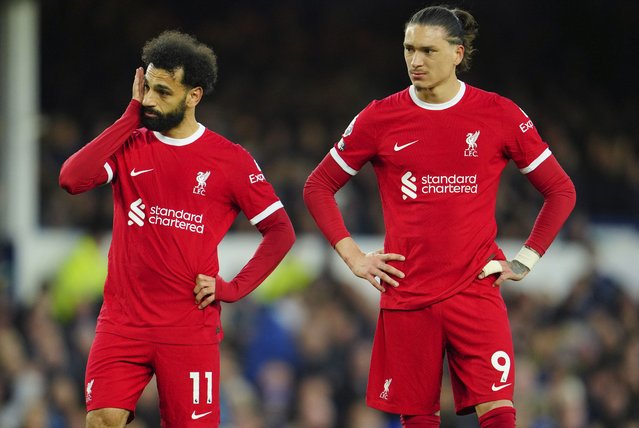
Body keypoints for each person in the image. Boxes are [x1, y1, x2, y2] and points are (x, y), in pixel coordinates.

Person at [303, 5, 576, 428]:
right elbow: (317, 186)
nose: (415, 61)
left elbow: (560, 190)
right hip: (407, 294)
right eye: (409, 49)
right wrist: (354, 258)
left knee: (501, 415)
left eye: (428, 51)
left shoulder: (499, 114)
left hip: (476, 289)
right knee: (418, 419)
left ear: (457, 54)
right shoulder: (379, 118)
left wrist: (525, 259)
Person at [59, 30, 295, 427]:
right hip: (123, 322)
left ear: (194, 96)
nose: (150, 99)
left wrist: (232, 288)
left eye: (163, 92)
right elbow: (71, 178)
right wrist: (129, 116)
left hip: (188, 329)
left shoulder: (230, 160)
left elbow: (281, 232)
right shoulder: (129, 144)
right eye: (147, 87)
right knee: (101, 419)